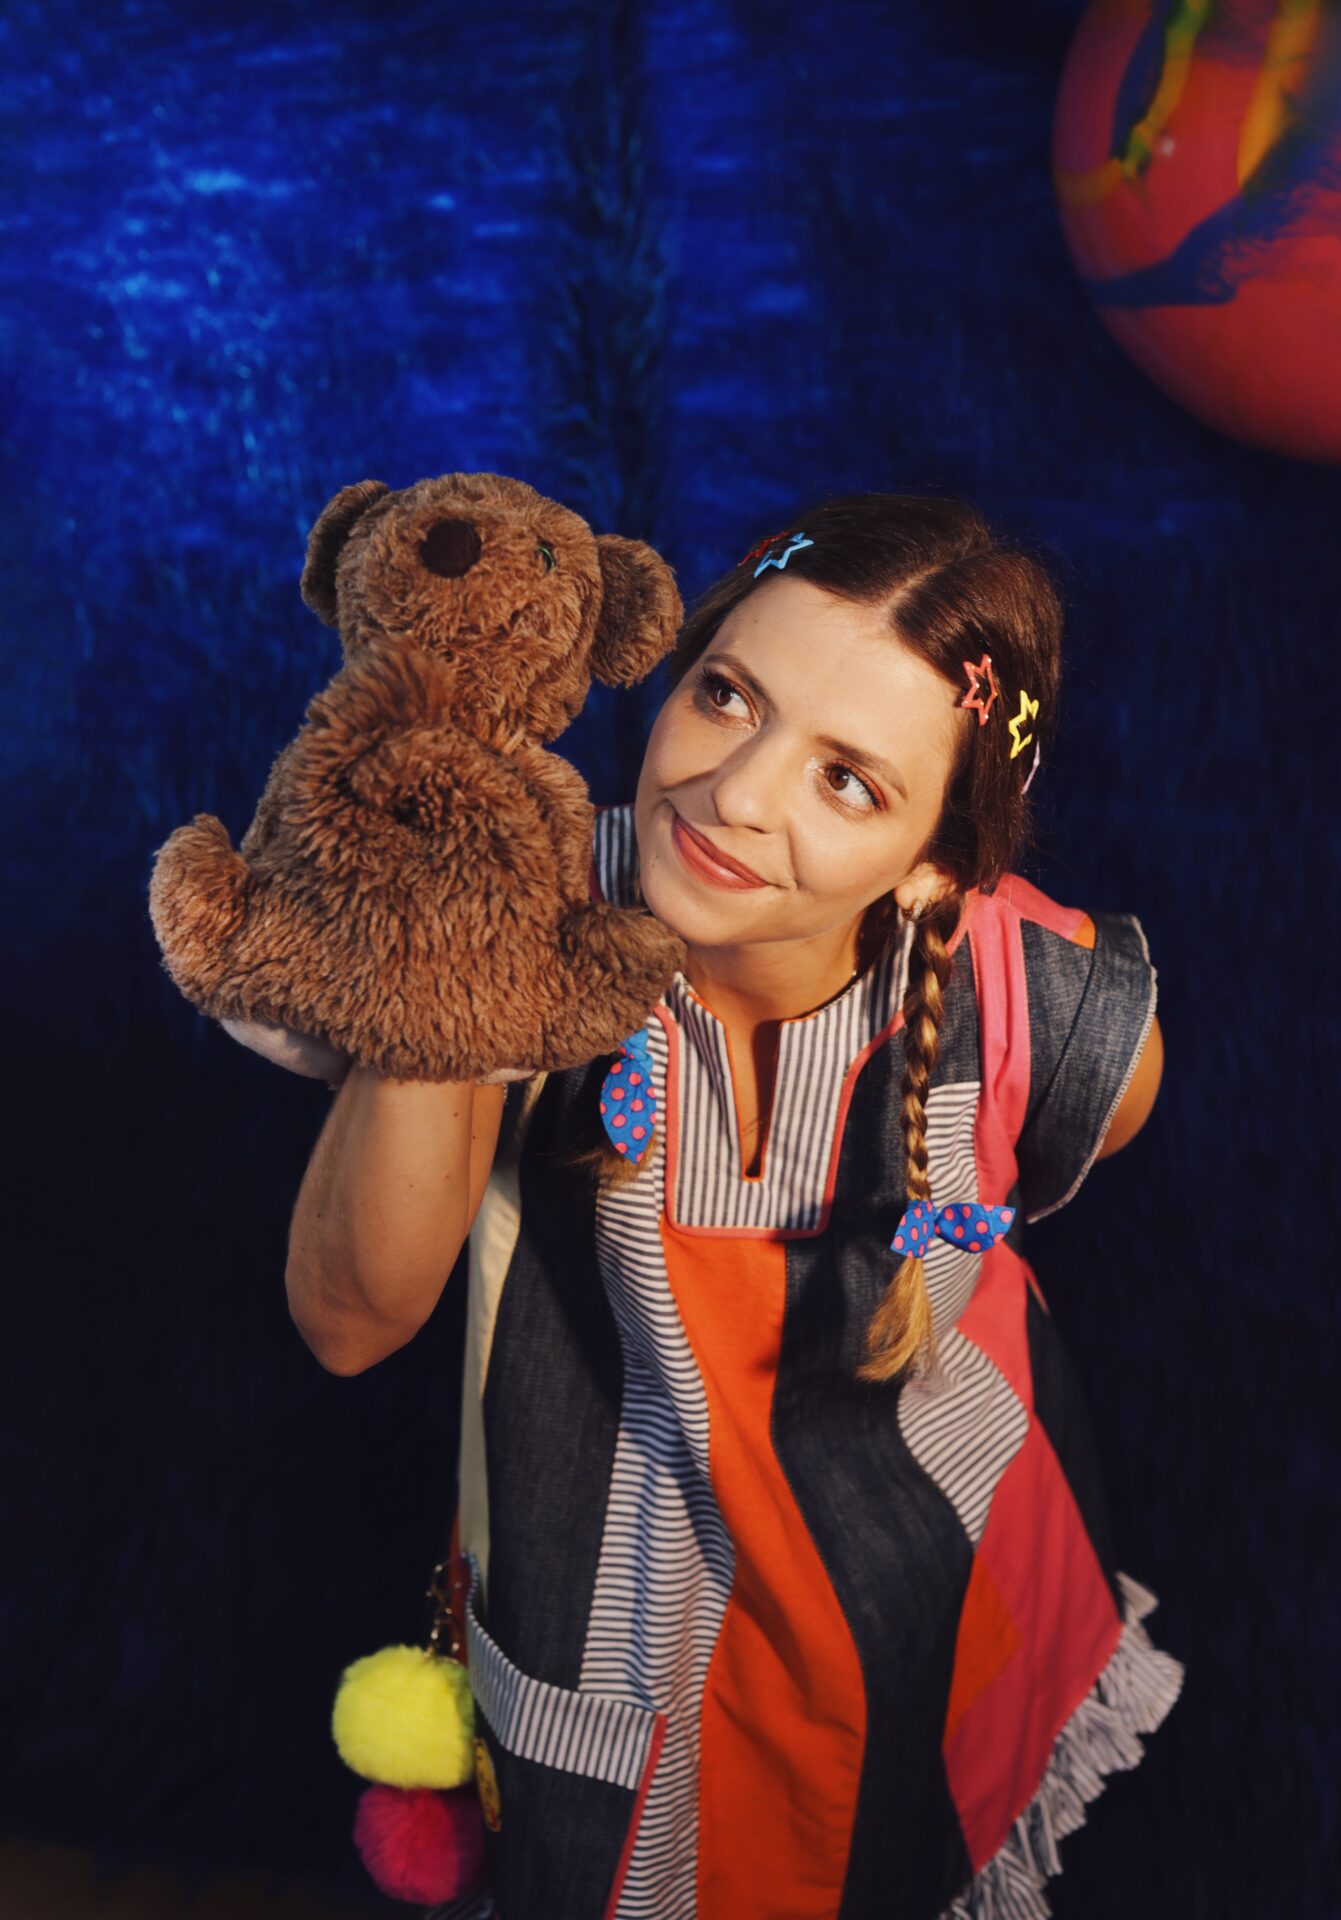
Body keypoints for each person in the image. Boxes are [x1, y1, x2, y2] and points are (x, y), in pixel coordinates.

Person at [286, 494, 1184, 1920]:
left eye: (850, 781)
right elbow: (349, 1319)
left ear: (939, 865)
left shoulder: (1036, 1005)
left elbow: (1094, 1113)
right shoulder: (520, 926)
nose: (737, 794)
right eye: (727, 695)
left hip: (936, 1612)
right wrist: (445, 949)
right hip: (619, 1641)